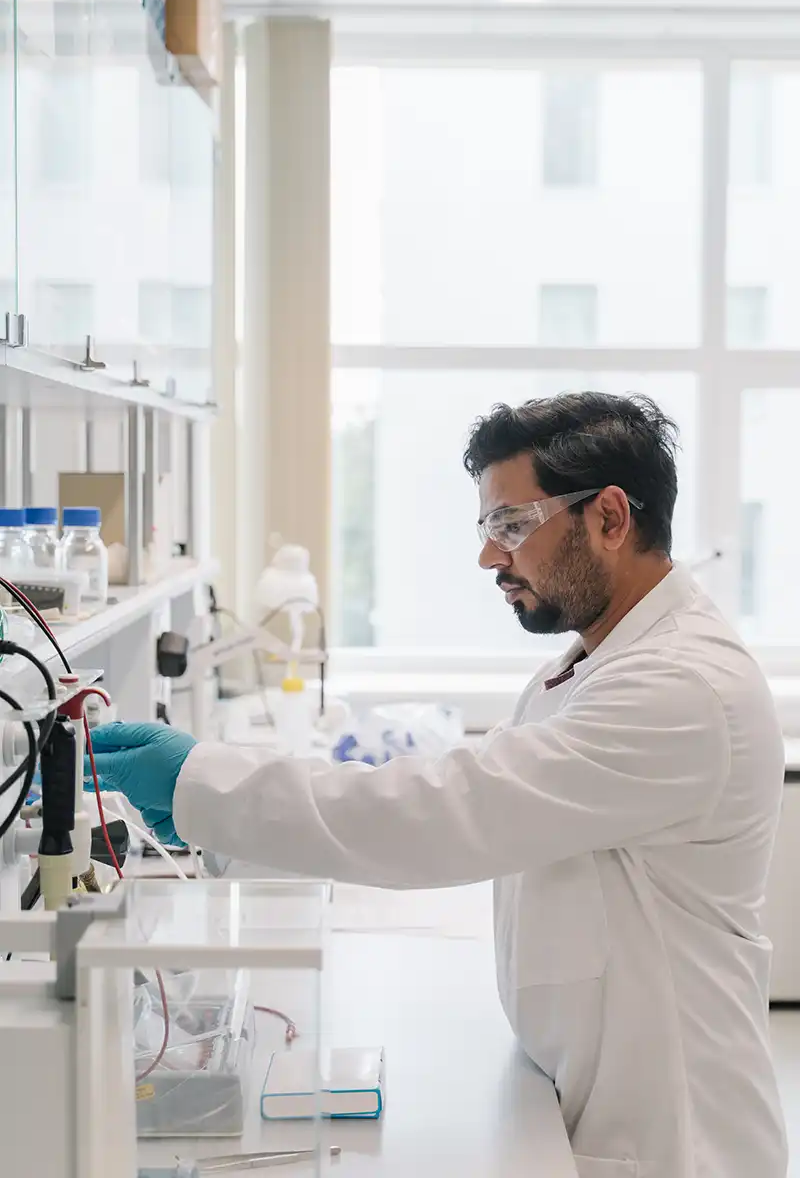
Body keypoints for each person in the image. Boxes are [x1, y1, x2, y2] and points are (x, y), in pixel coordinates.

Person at [87, 392, 787, 1178]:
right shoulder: (595, 665)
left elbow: (452, 812)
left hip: (676, 1135)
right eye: (488, 529)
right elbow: (487, 816)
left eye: (512, 525)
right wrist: (217, 822)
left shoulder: (682, 689)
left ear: (612, 518)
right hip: (590, 1093)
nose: (491, 558)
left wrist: (199, 782)